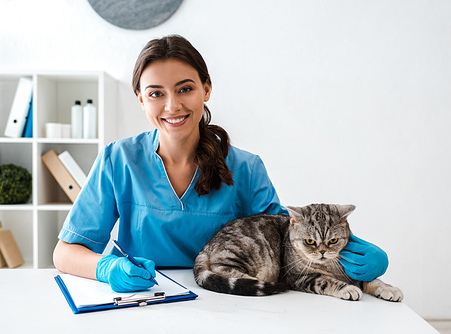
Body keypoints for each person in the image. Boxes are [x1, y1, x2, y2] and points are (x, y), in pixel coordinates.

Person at [53, 35, 388, 293]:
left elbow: (288, 242)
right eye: (156, 93)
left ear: (206, 90)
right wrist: (107, 269)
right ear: (141, 99)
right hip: (146, 296)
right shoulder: (118, 160)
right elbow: (65, 253)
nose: (172, 105)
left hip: (229, 301)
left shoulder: (246, 168)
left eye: (185, 89)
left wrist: (356, 252)